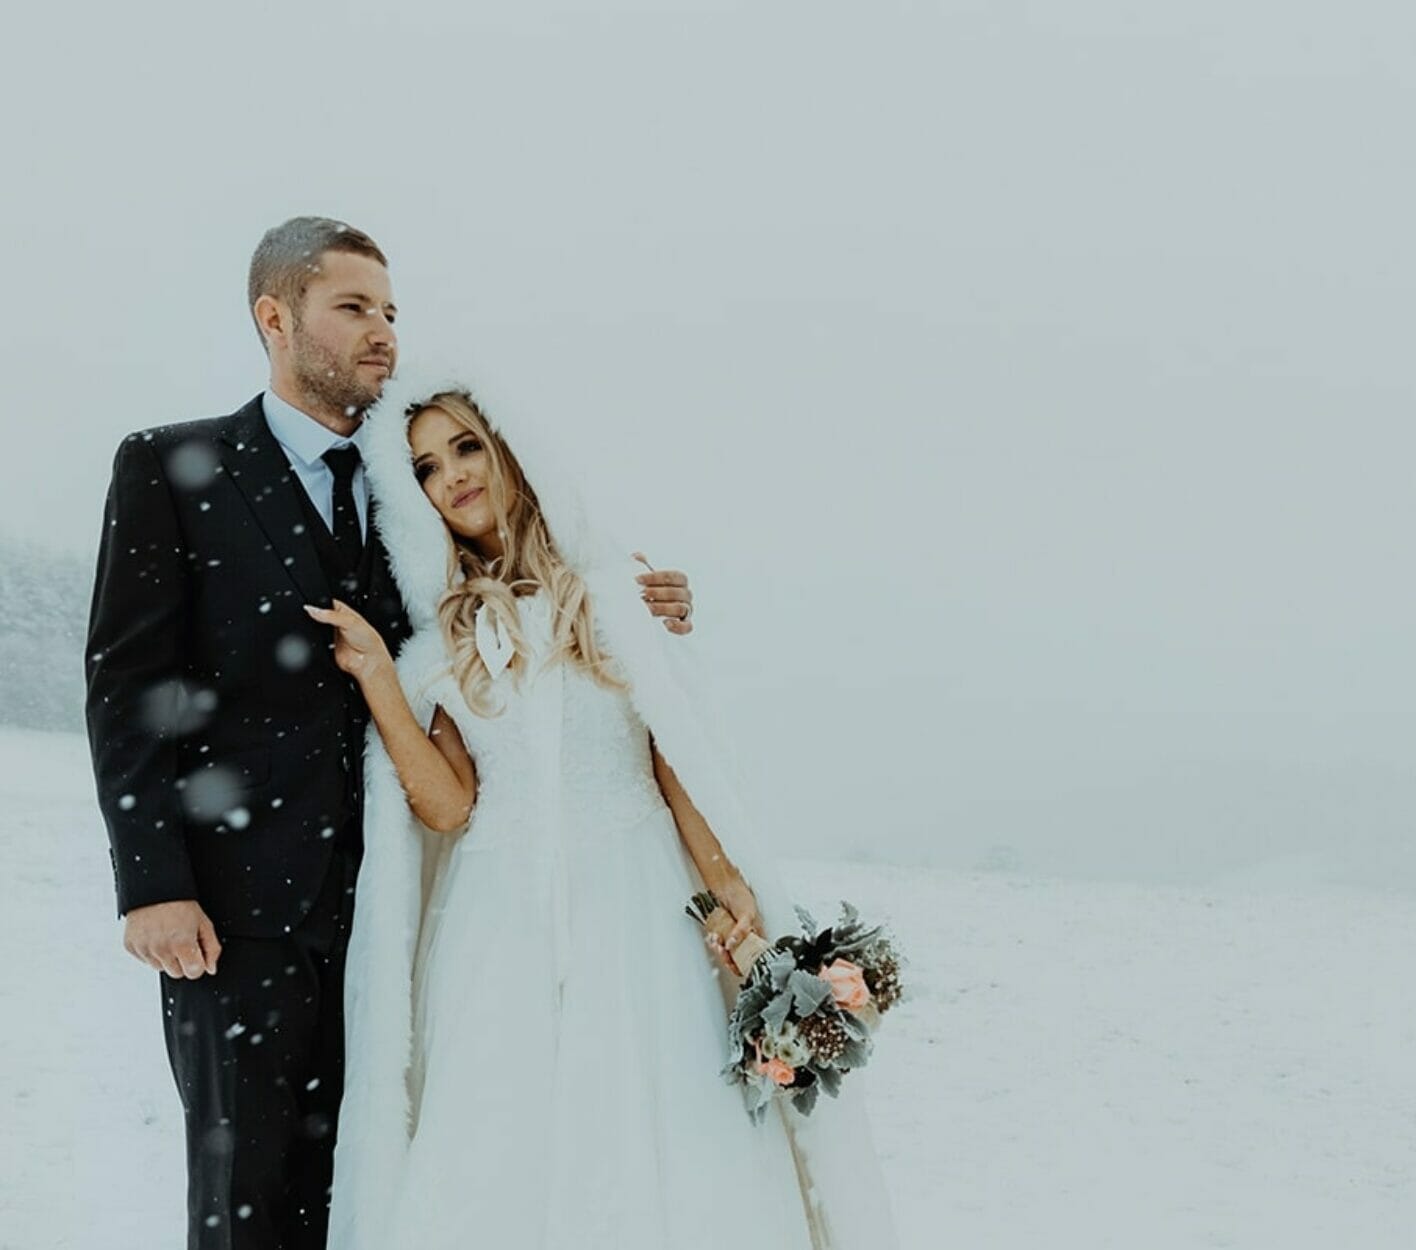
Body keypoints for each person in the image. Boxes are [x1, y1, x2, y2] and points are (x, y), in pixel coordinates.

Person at [83, 216, 694, 1250]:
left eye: (392, 311)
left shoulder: (409, 490)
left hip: (399, 913)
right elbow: (128, 684)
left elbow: (501, 606)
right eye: (354, 306)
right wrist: (154, 880)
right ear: (275, 318)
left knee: (369, 1199)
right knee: (246, 1197)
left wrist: (636, 596)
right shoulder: (172, 466)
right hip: (240, 915)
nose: (383, 331)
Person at [313, 374, 899, 1250]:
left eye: (467, 447)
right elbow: (447, 805)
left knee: (654, 1127)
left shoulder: (616, 590)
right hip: (498, 920)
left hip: (637, 902)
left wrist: (727, 885)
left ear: (511, 449)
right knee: (500, 1142)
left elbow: (670, 755)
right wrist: (377, 681)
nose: (453, 478)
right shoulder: (440, 638)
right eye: (427, 468)